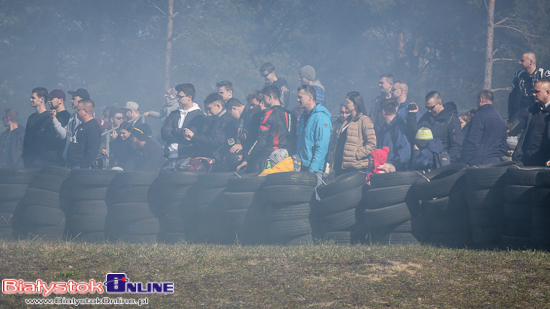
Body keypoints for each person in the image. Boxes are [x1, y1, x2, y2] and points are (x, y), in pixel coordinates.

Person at [237, 85, 293, 173]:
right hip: (287, 158)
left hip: (271, 159)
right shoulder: (290, 114)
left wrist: (248, 158)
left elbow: (261, 141)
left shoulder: (267, 115)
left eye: (264, 97)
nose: (263, 100)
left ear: (270, 97)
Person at [184, 93, 238, 171]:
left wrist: (194, 136)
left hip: (220, 163)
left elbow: (216, 141)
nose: (208, 111)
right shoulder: (215, 119)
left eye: (209, 108)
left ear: (218, 106)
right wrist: (192, 138)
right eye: (206, 109)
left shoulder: (226, 121)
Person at [406, 91, 463, 163]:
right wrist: (411, 115)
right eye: (427, 107)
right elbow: (415, 133)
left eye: (432, 107)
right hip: (425, 161)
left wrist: (445, 162)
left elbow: (456, 146)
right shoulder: (426, 117)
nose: (429, 110)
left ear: (439, 103)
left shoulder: (452, 120)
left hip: (442, 163)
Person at [296, 85, 332, 196]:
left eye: (300, 97)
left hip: (315, 171)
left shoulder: (321, 117)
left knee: (314, 199)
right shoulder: (303, 116)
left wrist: (313, 169)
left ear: (310, 97)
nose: (297, 100)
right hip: (302, 167)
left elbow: (322, 146)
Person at [160, 83, 205, 169]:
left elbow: (191, 136)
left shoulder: (199, 115)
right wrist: (180, 136)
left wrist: (174, 131)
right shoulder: (173, 114)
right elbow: (164, 134)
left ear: (189, 97)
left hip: (187, 158)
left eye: (180, 97)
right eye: (177, 96)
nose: (177, 99)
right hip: (169, 157)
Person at [332, 92, 376, 176]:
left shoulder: (364, 120)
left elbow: (372, 144)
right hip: (340, 167)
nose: (345, 104)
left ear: (356, 104)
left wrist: (356, 155)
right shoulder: (346, 122)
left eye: (347, 102)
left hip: (354, 169)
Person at [508, 52, 550, 136]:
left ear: (531, 61)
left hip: (538, 112)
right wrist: (511, 113)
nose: (520, 62)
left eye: (522, 60)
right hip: (522, 112)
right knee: (510, 132)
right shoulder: (519, 75)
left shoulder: (544, 74)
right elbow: (512, 96)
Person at [461, 90, 507, 166]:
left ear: (480, 99)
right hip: (496, 164)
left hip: (479, 164)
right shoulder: (501, 120)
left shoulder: (479, 116)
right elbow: (503, 146)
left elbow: (473, 141)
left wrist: (467, 160)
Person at [514, 79, 550, 166]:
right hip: (527, 161)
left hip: (544, 163)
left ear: (548, 92)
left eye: (537, 92)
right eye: (533, 91)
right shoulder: (532, 111)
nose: (533, 94)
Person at [52, 88, 91, 162]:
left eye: (74, 98)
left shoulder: (87, 119)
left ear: (81, 100)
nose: (71, 100)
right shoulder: (72, 117)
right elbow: (63, 135)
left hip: (79, 162)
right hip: (69, 160)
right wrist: (54, 119)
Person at [39, 89, 71, 166]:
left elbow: (64, 137)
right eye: (49, 99)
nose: (49, 101)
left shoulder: (66, 117)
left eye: (52, 99)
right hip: (44, 158)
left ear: (61, 100)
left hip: (57, 160)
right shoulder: (48, 117)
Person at [377, 99, 411, 171]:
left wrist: (392, 166)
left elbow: (405, 154)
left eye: (378, 111)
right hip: (384, 170)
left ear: (383, 112)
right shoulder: (384, 129)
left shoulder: (400, 128)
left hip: (397, 173)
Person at [66, 100, 101, 169]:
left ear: (86, 112)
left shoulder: (92, 127)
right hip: (72, 165)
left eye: (78, 109)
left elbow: (92, 150)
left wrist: (83, 167)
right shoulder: (82, 125)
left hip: (80, 167)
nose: (76, 111)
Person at [22, 87, 50, 168]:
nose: (30, 100)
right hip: (28, 160)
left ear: (41, 99)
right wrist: (24, 156)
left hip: (40, 161)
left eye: (33, 98)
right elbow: (26, 139)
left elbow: (46, 141)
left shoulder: (48, 117)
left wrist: (40, 157)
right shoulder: (31, 118)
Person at [326, 103, 349, 175]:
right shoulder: (333, 125)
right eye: (342, 112)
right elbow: (329, 146)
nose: (344, 115)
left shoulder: (353, 126)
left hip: (347, 162)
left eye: (347, 113)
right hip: (334, 161)